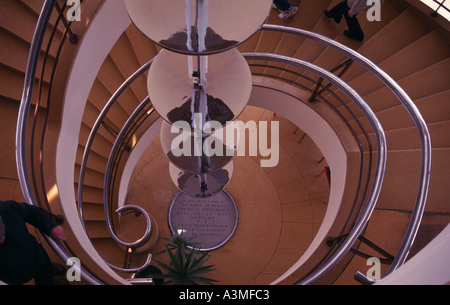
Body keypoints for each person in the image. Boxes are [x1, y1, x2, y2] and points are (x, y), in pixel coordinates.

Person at [0, 200, 66, 285]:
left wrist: (50, 227)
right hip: (19, 275)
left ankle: (49, 274)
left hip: (37, 252)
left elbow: (30, 211)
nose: (1, 240)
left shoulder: (5, 209)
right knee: (43, 280)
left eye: (2, 235)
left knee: (45, 268)